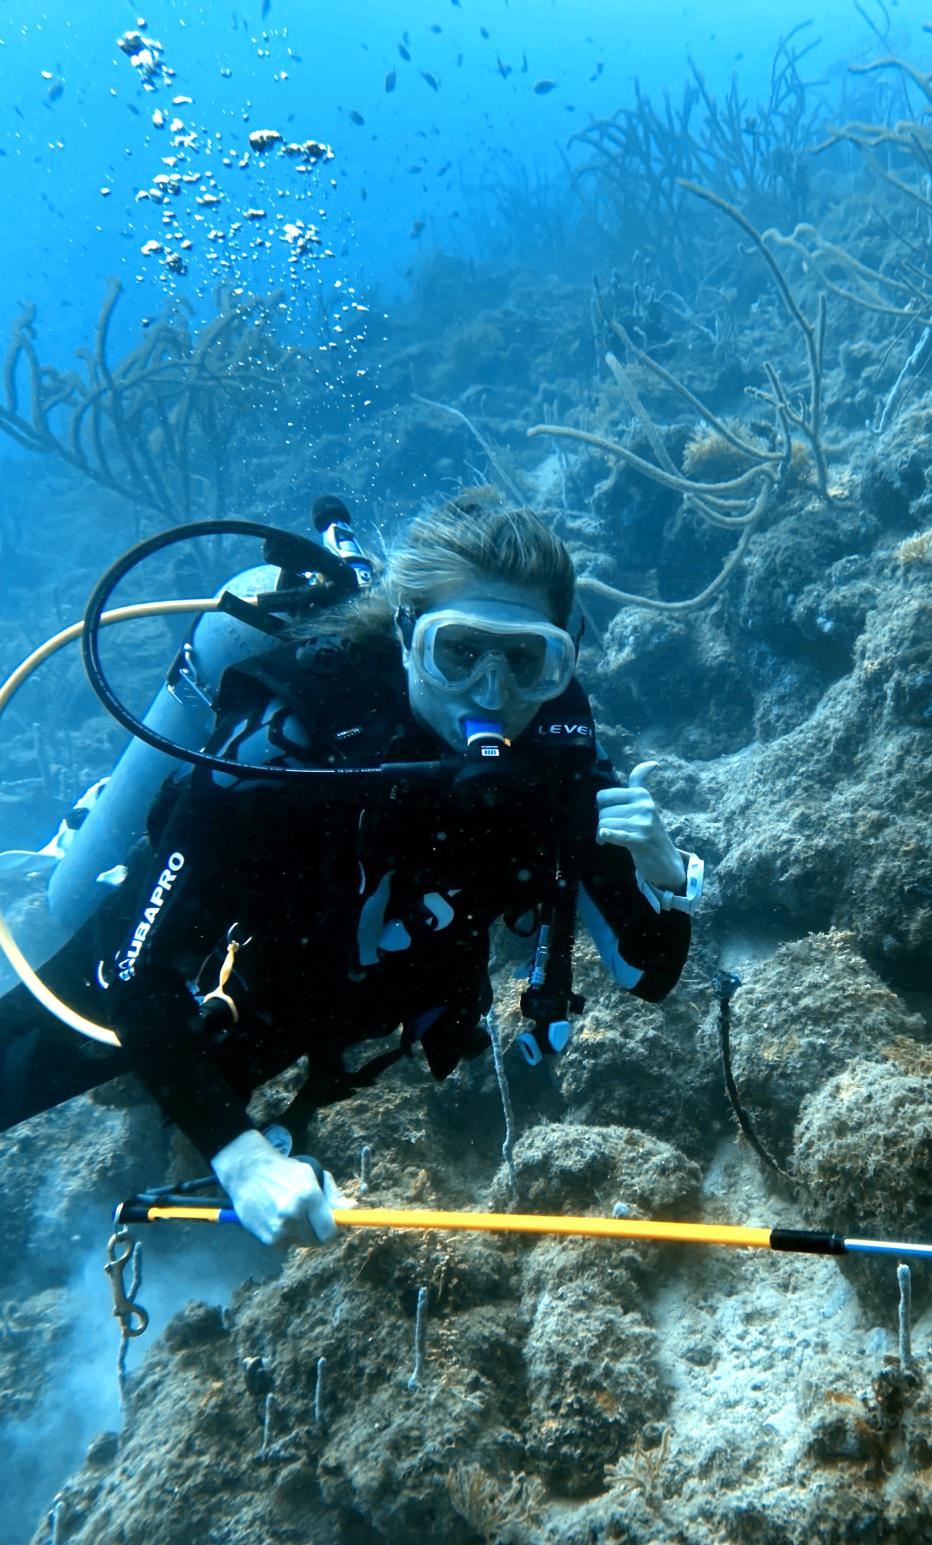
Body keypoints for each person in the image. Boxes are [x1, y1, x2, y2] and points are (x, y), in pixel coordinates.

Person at [0, 491, 699, 1246]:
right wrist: (239, 1157)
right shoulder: (283, 751)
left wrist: (666, 872)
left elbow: (649, 973)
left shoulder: (558, 764)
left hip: (335, 1007)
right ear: (406, 636)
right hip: (208, 982)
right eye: (458, 651)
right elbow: (134, 970)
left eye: (526, 657)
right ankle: (84, 834)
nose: (493, 693)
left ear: (559, 655)